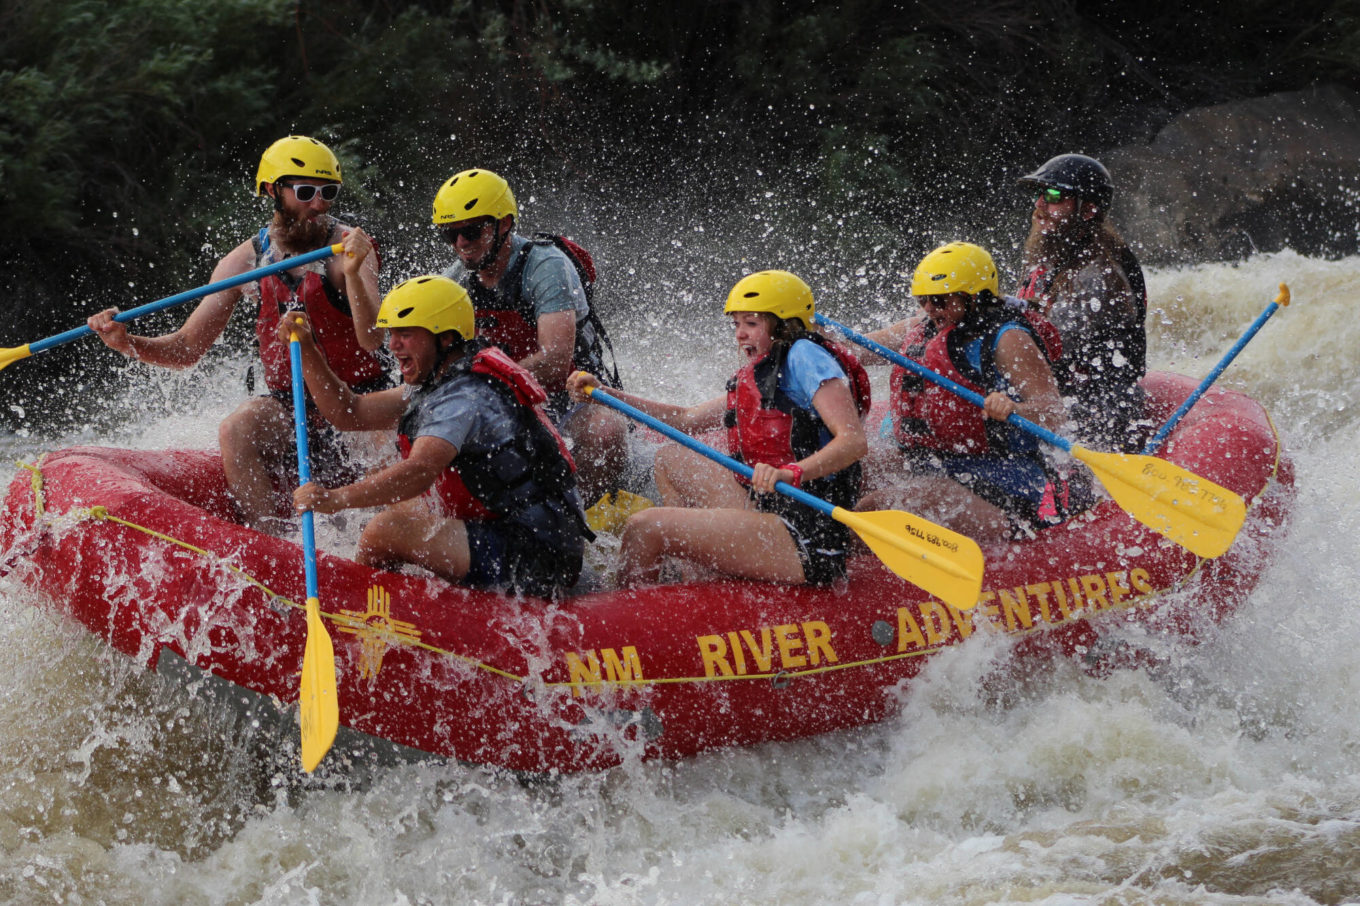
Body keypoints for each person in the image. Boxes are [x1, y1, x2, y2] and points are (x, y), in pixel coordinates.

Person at [86, 135, 387, 530]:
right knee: (236, 428)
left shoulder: (349, 250)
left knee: (387, 452)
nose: (319, 204)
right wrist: (127, 342)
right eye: (306, 191)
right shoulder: (247, 259)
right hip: (291, 405)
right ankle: (272, 546)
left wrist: (352, 275)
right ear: (272, 191)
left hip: (359, 402)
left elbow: (373, 338)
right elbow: (188, 347)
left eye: (328, 192)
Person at [287, 275, 589, 599]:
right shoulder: (441, 380)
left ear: (444, 338)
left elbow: (418, 472)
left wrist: (336, 499)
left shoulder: (464, 396)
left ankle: (354, 612)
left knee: (384, 530)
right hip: (514, 528)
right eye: (391, 334)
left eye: (405, 334)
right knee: (390, 498)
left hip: (539, 553)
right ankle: (392, 597)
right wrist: (307, 349)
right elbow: (350, 413)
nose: (392, 345)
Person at [567, 270, 870, 587]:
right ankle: (695, 577)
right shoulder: (767, 368)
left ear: (785, 325)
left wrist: (790, 473)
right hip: (768, 505)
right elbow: (686, 419)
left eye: (751, 324)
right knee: (670, 460)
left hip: (807, 533)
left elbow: (853, 442)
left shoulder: (807, 357)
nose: (740, 334)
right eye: (736, 324)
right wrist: (607, 396)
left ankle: (630, 622)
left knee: (645, 526)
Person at [862, 242, 1087, 542]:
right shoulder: (924, 324)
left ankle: (837, 570)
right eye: (923, 299)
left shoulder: (1008, 338)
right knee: (852, 471)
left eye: (940, 300)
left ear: (974, 297)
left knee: (873, 508)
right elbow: (855, 348)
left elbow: (1054, 411)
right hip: (932, 462)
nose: (930, 308)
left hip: (999, 482)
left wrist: (1013, 408)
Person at [432, 168, 627, 504]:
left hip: (573, 401)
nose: (461, 244)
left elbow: (554, 362)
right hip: (507, 403)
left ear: (503, 224)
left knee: (606, 431)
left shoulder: (547, 266)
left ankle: (581, 518)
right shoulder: (455, 285)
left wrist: (479, 386)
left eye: (472, 231)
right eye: (450, 235)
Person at [1016, 153, 1149, 451]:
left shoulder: (1099, 275)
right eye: (1040, 194)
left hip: (1096, 414)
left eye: (1053, 195)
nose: (1040, 204)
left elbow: (1042, 347)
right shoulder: (1052, 253)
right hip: (1058, 397)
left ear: (1088, 209)